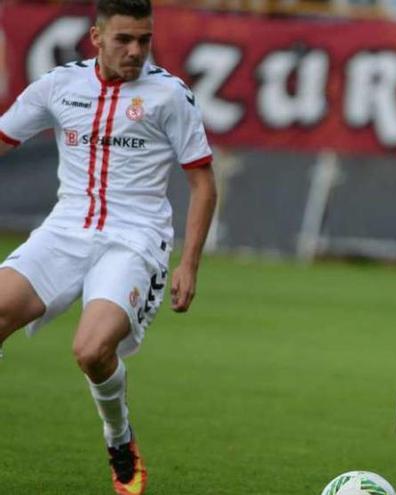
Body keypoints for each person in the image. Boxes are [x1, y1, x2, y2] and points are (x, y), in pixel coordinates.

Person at [0, 1, 216, 493]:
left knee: (92, 350)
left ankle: (119, 438)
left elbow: (203, 184)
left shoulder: (169, 95)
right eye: (124, 40)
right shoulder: (60, 85)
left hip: (134, 241)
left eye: (144, 39)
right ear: (96, 37)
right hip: (65, 231)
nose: (136, 50)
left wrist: (189, 264)